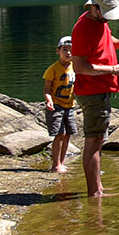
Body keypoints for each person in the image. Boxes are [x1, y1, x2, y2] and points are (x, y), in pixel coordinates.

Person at [70, 0, 119, 199]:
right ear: (95, 8)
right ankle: (94, 192)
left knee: (97, 141)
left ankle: (97, 186)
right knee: (94, 142)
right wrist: (114, 69)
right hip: (92, 92)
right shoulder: (82, 28)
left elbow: (107, 40)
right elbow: (79, 67)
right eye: (105, 13)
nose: (107, 18)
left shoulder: (99, 21)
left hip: (100, 90)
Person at [42, 35, 76, 174]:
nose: (68, 53)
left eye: (71, 50)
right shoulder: (53, 69)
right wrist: (48, 100)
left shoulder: (76, 67)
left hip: (70, 105)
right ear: (58, 51)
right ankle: (55, 165)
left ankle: (62, 163)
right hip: (56, 105)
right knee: (59, 134)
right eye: (65, 49)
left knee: (68, 134)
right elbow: (46, 89)